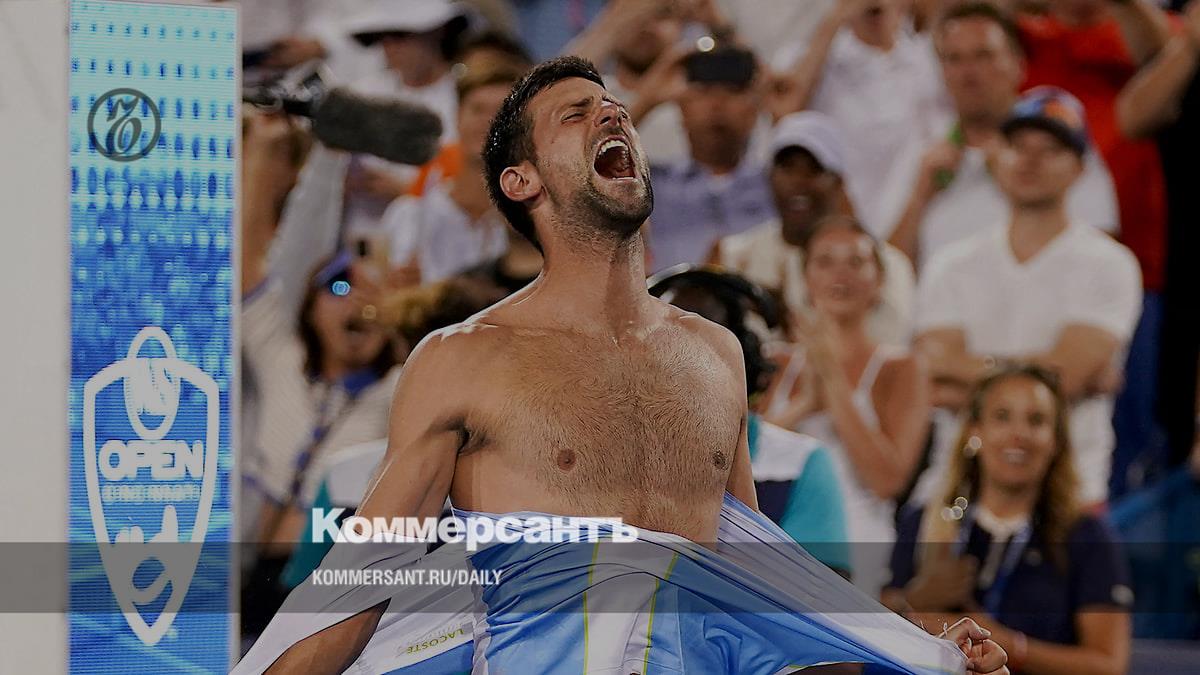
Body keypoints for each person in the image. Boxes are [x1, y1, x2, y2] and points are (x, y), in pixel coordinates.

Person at [244, 57, 1009, 675]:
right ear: (521, 181)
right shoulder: (462, 360)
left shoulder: (713, 355)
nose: (611, 116)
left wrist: (920, 656)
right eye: (575, 115)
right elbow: (358, 586)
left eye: (616, 109)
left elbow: (759, 597)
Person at [912, 88, 1142, 508]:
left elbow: (1067, 378)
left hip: (1068, 496)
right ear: (996, 158)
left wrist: (964, 378)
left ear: (1079, 167)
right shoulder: (951, 262)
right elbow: (933, 381)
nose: (1030, 160)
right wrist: (1048, 377)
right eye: (1018, 146)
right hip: (955, 491)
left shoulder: (1110, 264)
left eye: (1050, 149)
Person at [238, 112, 404, 635]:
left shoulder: (402, 389)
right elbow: (246, 263)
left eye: (372, 290)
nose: (358, 300)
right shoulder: (282, 361)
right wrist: (263, 153)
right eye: (339, 287)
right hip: (243, 580)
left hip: (335, 597)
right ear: (309, 310)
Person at [884, 364, 1134, 675]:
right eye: (1002, 417)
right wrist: (915, 598)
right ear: (974, 430)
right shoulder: (924, 522)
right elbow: (877, 635)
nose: (1018, 435)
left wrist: (1012, 647)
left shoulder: (1087, 536)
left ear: (1055, 441)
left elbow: (1109, 666)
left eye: (1036, 420)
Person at [875, 2, 1119, 270]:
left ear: (1019, 65)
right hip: (942, 296)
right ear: (941, 73)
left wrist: (1019, 179)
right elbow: (889, 276)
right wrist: (920, 198)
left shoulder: (1061, 144)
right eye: (954, 58)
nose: (968, 73)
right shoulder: (922, 156)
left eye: (984, 56)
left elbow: (1102, 254)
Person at [759, 217, 930, 596]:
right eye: (825, 261)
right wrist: (804, 404)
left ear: (879, 280)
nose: (841, 274)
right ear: (806, 278)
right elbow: (749, 457)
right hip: (777, 540)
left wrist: (834, 382)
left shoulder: (901, 368)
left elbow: (886, 481)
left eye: (856, 262)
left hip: (859, 548)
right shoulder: (777, 363)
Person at [650, 265, 851, 576]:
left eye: (702, 346)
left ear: (749, 365)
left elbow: (821, 589)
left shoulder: (801, 463)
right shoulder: (609, 457)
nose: (680, 363)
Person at [713, 111, 916, 347]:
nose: (798, 181)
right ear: (769, 178)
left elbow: (879, 354)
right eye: (787, 168)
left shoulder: (884, 265)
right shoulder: (733, 256)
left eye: (814, 169)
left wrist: (784, 321)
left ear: (838, 182)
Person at [771, 0, 950, 226]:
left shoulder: (930, 57)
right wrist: (833, 22)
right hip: (841, 225)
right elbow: (785, 115)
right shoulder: (808, 57)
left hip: (921, 222)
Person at [378, 61, 525, 285]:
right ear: (457, 117)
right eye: (477, 109)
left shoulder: (531, 221)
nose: (488, 121)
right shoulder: (408, 216)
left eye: (500, 112)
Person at [647, 45, 775, 270]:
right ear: (681, 109)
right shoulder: (649, 184)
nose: (717, 104)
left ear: (754, 110)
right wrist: (647, 97)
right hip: (666, 291)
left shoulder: (774, 186)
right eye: (704, 91)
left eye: (732, 91)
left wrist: (781, 112)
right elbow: (585, 167)